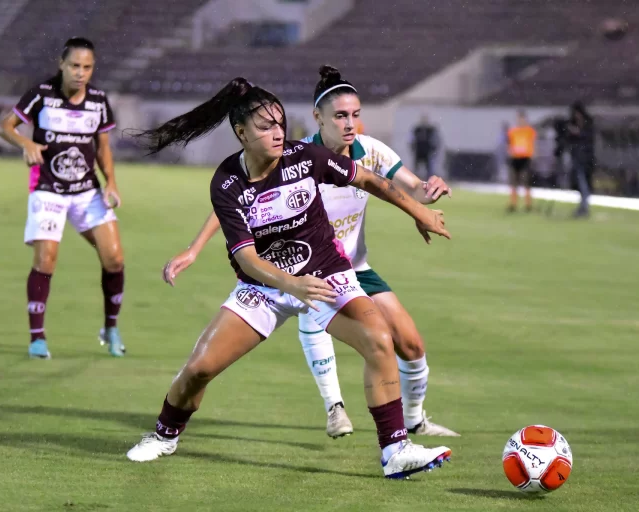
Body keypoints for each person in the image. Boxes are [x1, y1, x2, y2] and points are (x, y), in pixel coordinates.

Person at [125, 78, 453, 479]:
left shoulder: (306, 157)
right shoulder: (227, 183)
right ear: (241, 133)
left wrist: (419, 212)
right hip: (264, 287)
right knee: (199, 369)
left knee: (379, 340)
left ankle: (395, 450)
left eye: (281, 122)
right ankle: (164, 434)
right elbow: (245, 258)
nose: (278, 132)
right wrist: (289, 284)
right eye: (265, 126)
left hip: (326, 274)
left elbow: (367, 178)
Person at [0, 37, 126, 359]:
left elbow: (103, 146)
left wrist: (111, 182)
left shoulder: (98, 100)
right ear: (62, 64)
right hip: (48, 189)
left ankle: (110, 327)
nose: (80, 73)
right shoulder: (42, 94)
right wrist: (25, 144)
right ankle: (37, 338)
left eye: (87, 67)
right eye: (75, 66)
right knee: (46, 260)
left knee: (115, 258)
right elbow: (5, 126)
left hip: (86, 192)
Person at [567, 102, 594, 217]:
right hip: (577, 157)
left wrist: (578, 133)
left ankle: (584, 206)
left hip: (586, 159)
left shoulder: (588, 125)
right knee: (579, 183)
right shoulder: (574, 124)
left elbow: (588, 139)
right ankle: (583, 205)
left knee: (584, 182)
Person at [507, 111, 537, 212]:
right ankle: (513, 204)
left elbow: (533, 144)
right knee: (513, 182)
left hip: (525, 159)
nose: (520, 121)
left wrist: (533, 155)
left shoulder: (529, 131)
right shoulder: (513, 131)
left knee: (526, 182)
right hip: (515, 158)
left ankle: (528, 205)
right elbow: (510, 144)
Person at [410, 115, 440, 180]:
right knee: (417, 168)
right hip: (419, 151)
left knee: (429, 168)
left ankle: (429, 180)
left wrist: (434, 149)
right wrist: (412, 148)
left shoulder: (431, 130)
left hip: (427, 152)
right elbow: (411, 139)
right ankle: (415, 179)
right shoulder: (417, 129)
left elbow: (436, 140)